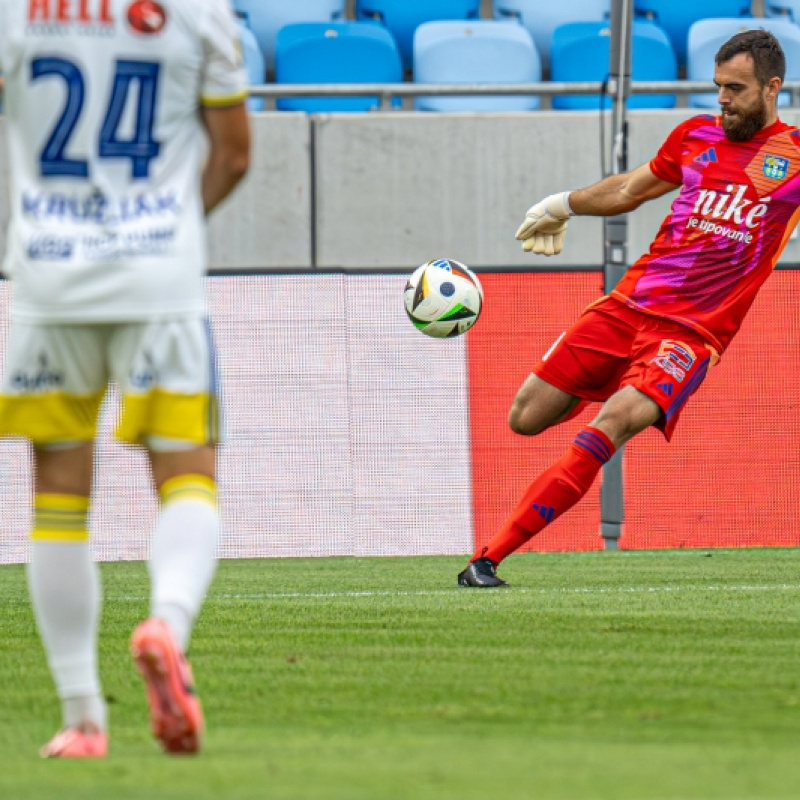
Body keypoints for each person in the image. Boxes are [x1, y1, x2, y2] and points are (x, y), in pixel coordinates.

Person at [0, 0, 250, 756]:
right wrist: (169, 229)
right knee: (187, 480)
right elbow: (234, 155)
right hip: (158, 282)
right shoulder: (201, 13)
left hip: (49, 279)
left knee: (59, 499)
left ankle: (82, 719)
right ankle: (165, 627)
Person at [458, 28, 795, 588]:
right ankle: (600, 392)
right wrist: (561, 205)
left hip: (690, 337)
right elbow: (629, 190)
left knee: (608, 426)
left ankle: (487, 560)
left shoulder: (794, 159)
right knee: (525, 417)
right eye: (718, 87)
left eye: (736, 89)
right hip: (627, 307)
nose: (723, 99)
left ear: (771, 88)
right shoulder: (694, 136)